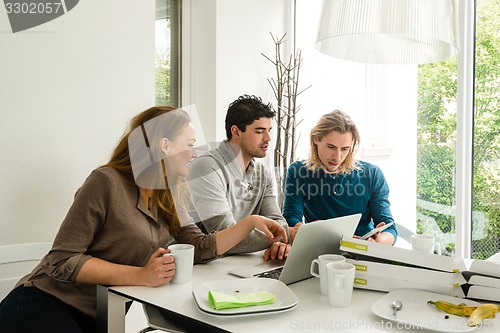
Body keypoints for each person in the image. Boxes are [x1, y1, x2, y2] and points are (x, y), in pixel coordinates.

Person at [0, 106, 287, 333]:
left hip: (102, 313)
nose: (193, 153)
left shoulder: (172, 191)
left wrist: (250, 222)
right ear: (164, 145)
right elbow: (62, 260)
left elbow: (198, 247)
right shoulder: (106, 182)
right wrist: (140, 275)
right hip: (45, 303)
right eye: (188, 144)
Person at [187, 95, 297, 260]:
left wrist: (281, 237)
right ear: (236, 131)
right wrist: (287, 234)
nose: (268, 138)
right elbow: (224, 237)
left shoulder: (262, 173)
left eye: (269, 131)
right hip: (204, 267)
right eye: (259, 131)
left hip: (244, 264)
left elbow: (277, 222)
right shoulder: (206, 168)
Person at [283, 109, 397, 245]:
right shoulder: (299, 171)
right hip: (319, 248)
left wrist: (379, 242)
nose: (337, 157)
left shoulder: (372, 174)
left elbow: (389, 227)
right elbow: (291, 218)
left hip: (362, 251)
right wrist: (310, 230)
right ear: (316, 139)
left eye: (345, 149)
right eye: (331, 147)